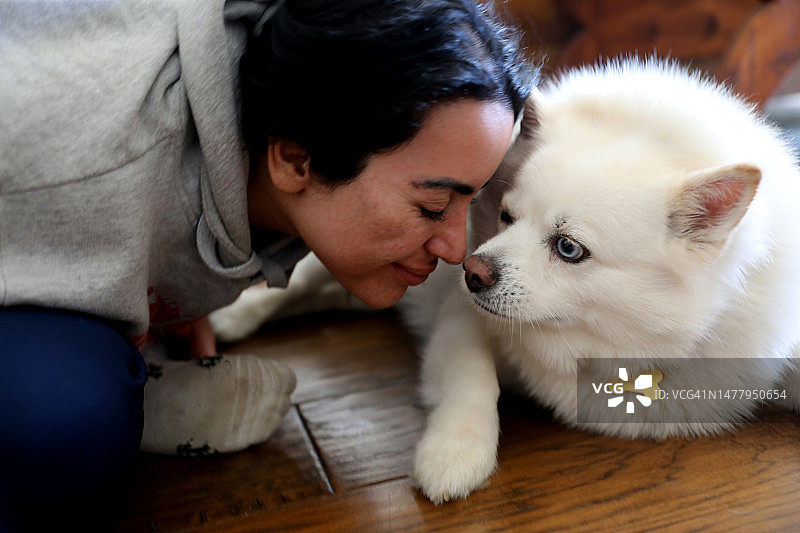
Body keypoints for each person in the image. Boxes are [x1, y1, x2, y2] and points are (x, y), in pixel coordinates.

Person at [0, 0, 534, 525]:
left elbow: (608, 389)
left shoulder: (335, 132)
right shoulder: (79, 156)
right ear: (295, 159)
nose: (463, 253)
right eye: (433, 208)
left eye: (476, 202)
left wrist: (165, 275)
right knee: (64, 420)